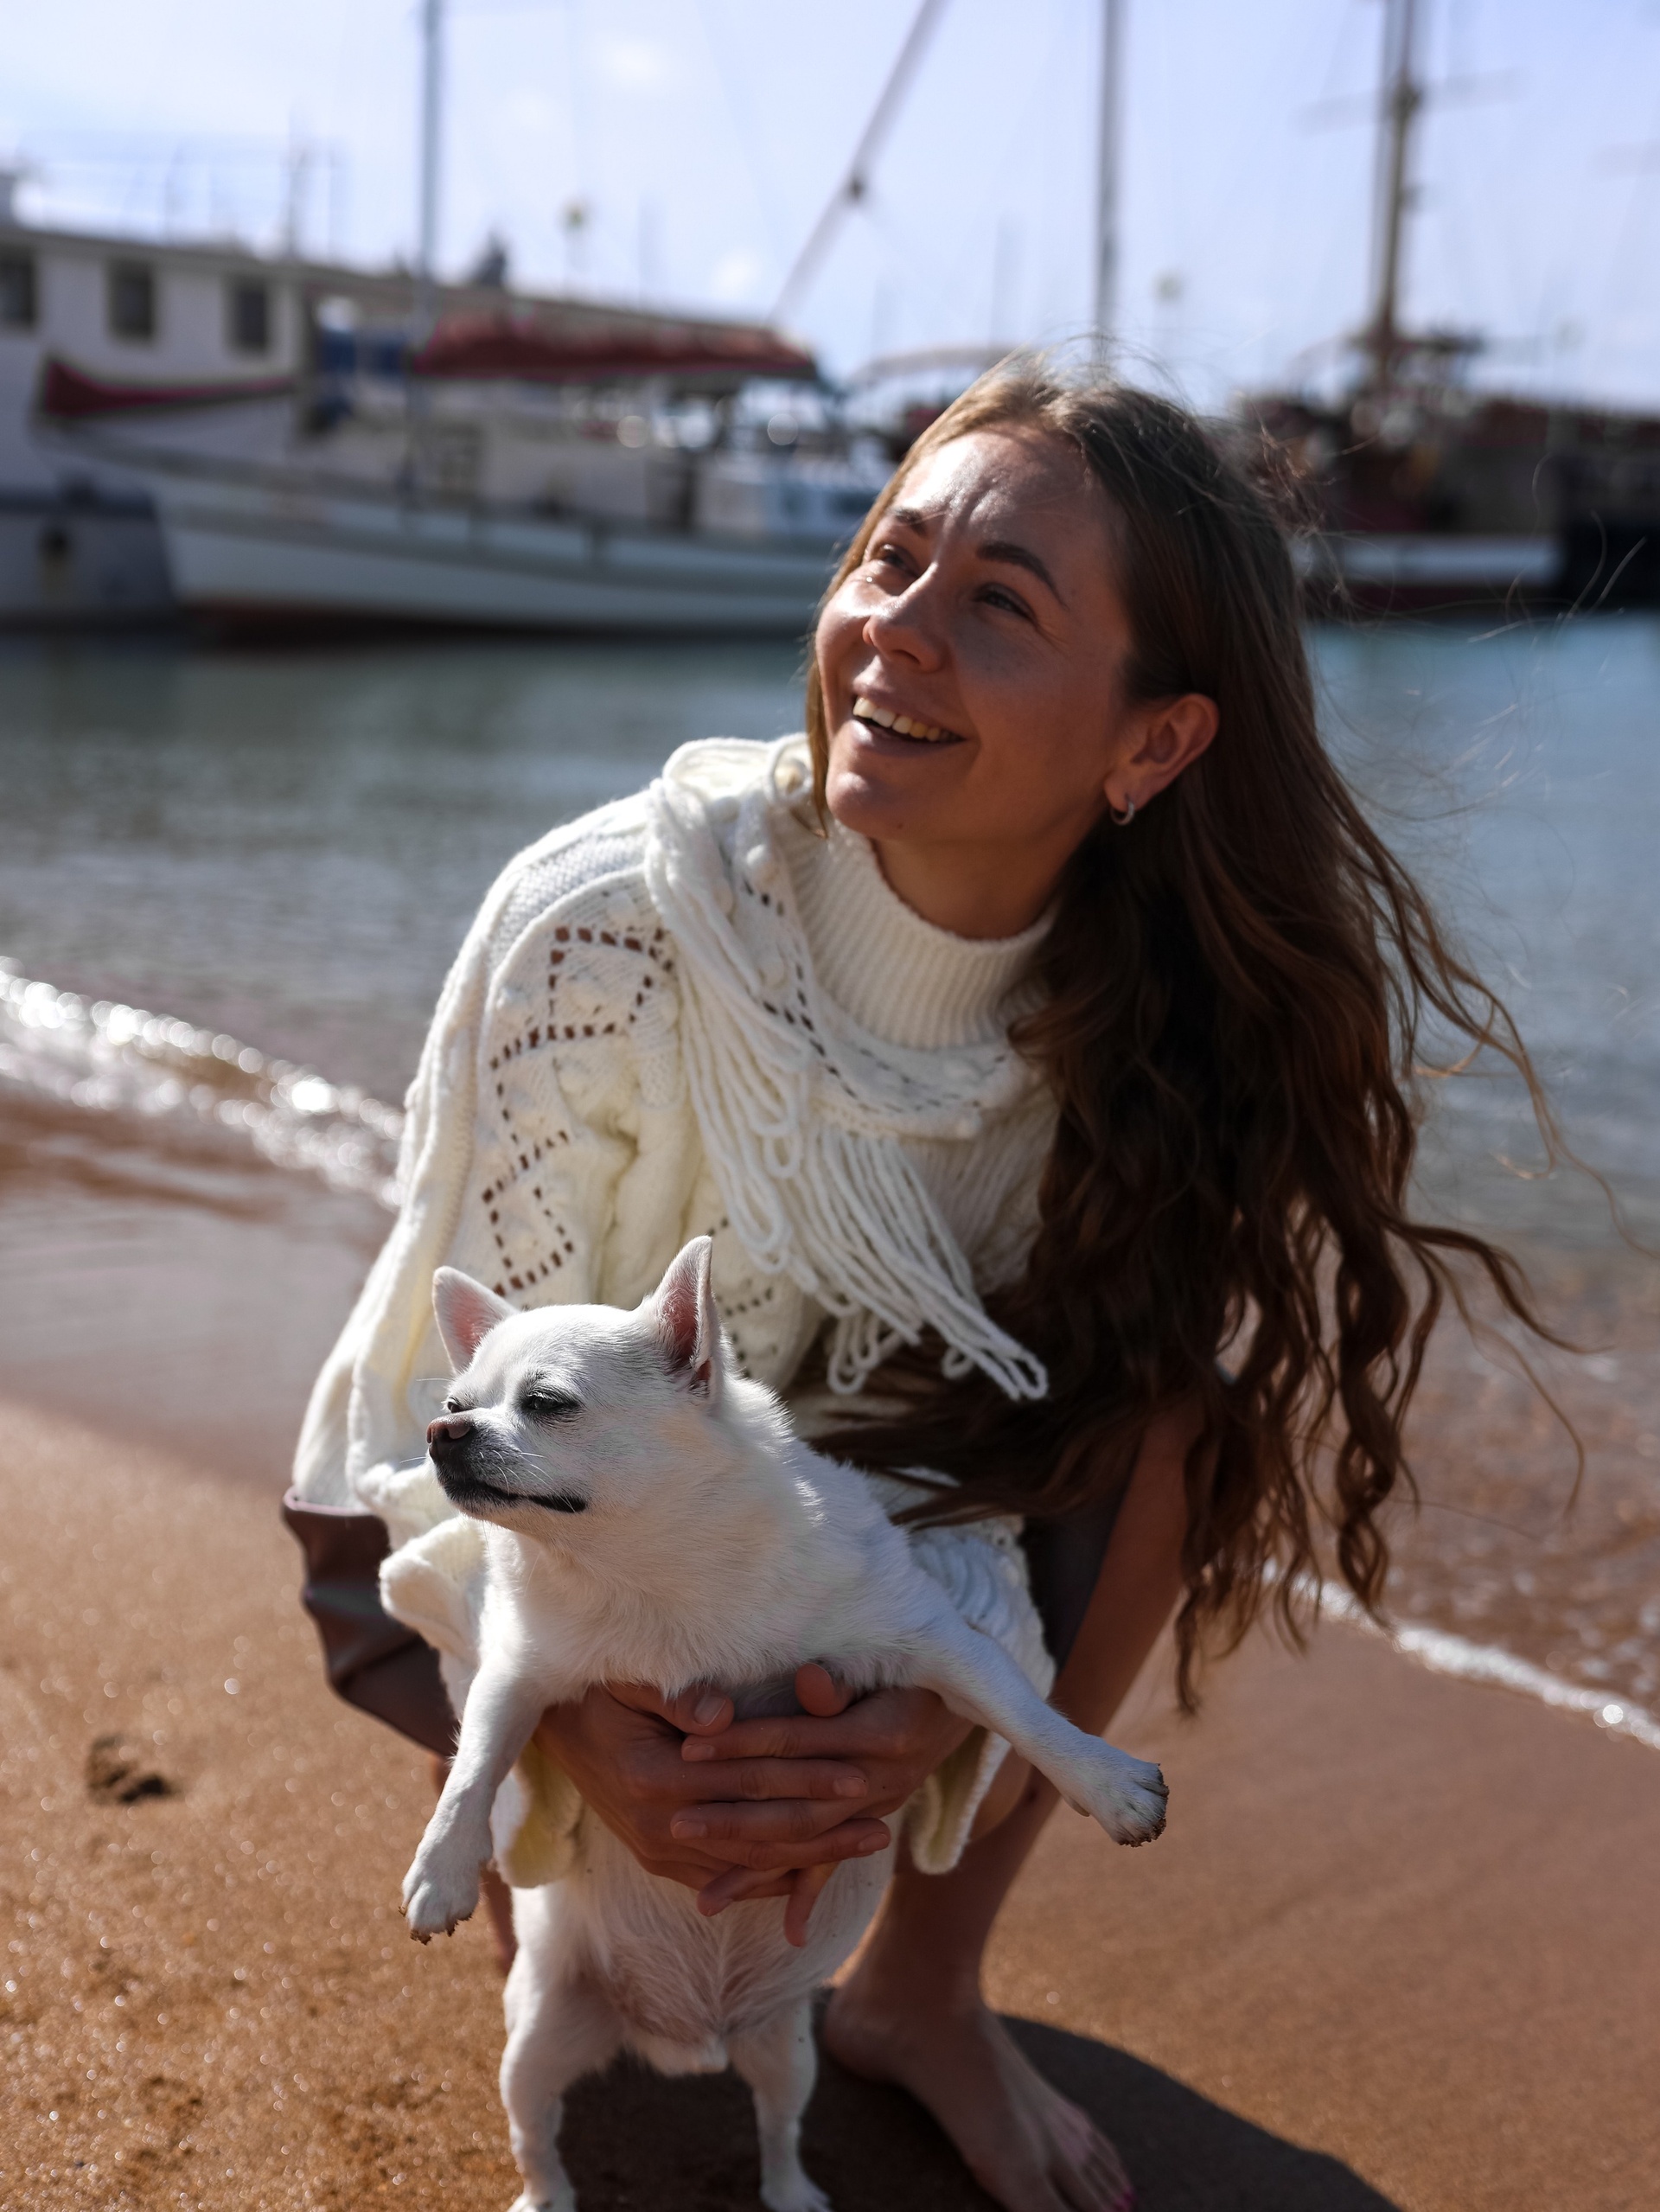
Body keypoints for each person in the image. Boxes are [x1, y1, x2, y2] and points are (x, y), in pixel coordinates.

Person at [287, 361, 1560, 2212]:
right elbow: (448, 1412)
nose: (897, 627)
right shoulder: (608, 929)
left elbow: (1005, 1455)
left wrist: (929, 1713)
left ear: (1152, 746)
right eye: (891, 558)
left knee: (1169, 1423)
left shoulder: (1143, 1034)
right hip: (518, 1527)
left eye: (1001, 601)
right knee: (577, 1973)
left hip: (819, 1518)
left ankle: (922, 1985)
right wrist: (592, 1738)